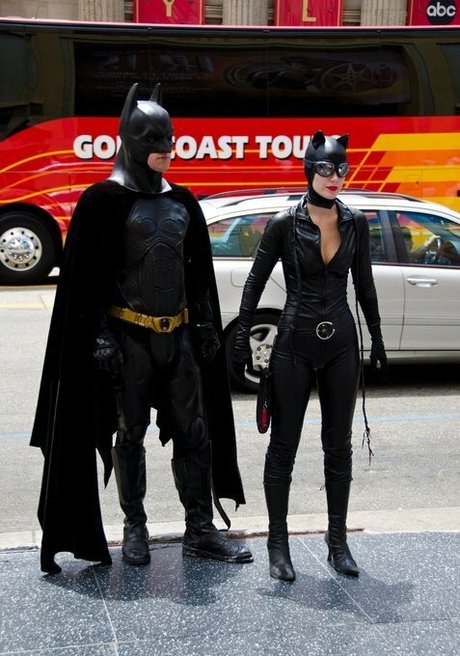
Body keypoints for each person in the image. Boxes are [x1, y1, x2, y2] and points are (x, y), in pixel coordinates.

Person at [31, 83, 252, 573]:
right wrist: (99, 335)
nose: (166, 151)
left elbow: (197, 275)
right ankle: (135, 527)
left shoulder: (184, 202)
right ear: (131, 143)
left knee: (195, 432)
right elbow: (84, 285)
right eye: (155, 142)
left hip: (179, 337)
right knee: (129, 434)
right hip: (128, 337)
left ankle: (200, 529)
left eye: (169, 141)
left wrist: (206, 325)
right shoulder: (102, 201)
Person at [233, 130, 387, 581]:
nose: (334, 176)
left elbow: (365, 283)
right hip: (294, 342)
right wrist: (242, 337)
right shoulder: (284, 223)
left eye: (341, 168)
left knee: (338, 445)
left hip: (341, 341)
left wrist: (377, 336)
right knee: (284, 445)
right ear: (309, 169)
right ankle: (277, 544)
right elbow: (255, 280)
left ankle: (337, 542)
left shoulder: (355, 222)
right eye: (325, 167)